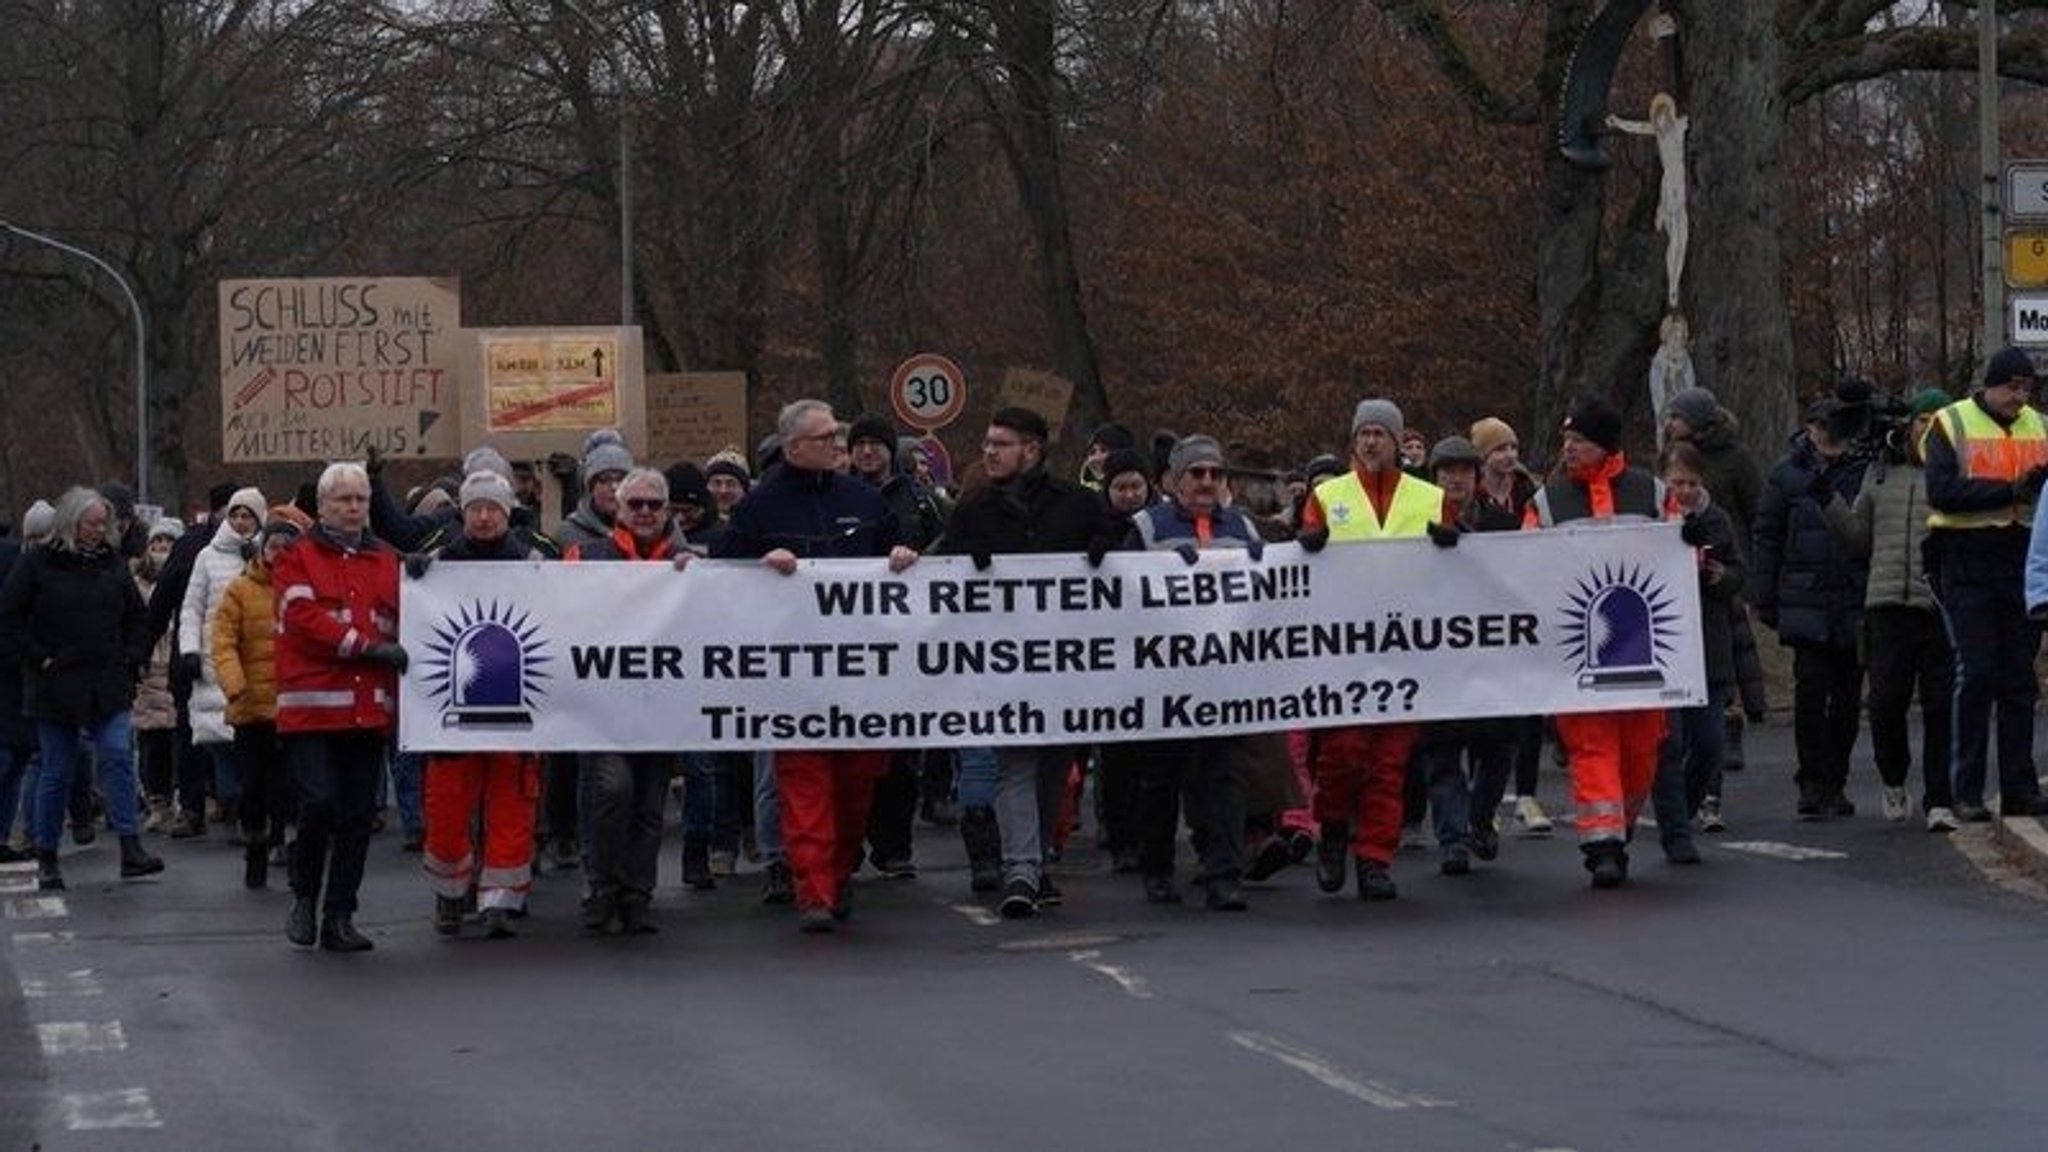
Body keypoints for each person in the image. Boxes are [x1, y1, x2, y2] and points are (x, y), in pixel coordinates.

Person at [715, 399, 920, 932]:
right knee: (804, 788)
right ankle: (815, 893)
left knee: (855, 788)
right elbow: (720, 573)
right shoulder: (759, 508)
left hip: (860, 678)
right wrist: (757, 565)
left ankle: (836, 870)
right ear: (792, 447)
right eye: (825, 436)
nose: (837, 444)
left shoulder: (863, 500)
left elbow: (903, 550)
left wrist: (903, 557)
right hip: (792, 682)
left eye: (838, 435)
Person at [939, 405, 1106, 919]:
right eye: (987, 443)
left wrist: (1110, 551)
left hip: (1065, 663)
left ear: (1031, 450)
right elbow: (941, 567)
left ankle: (1037, 864)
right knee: (1016, 762)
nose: (987, 451)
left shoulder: (1078, 506)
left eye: (1000, 443)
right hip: (1005, 662)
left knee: (1053, 766)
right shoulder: (974, 509)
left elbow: (1123, 558)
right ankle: (1021, 869)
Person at [1296, 398, 1456, 902]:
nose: (1370, 442)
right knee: (1342, 754)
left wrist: (1455, 543)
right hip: (1344, 650)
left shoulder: (1429, 498)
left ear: (1396, 441)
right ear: (1353, 441)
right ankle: (1334, 832)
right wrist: (1308, 543)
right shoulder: (1328, 496)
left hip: (1406, 650)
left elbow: (1461, 567)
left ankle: (1374, 859)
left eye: (1380, 434)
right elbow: (1301, 552)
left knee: (1389, 763)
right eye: (1363, 433)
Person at [1524, 396, 1686, 888]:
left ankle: (1621, 822)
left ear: (1605, 446)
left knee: (1641, 750)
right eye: (1565, 440)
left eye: (1578, 441)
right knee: (1591, 746)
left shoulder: (1652, 494)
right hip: (1578, 652)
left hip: (1644, 649)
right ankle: (1603, 846)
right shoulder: (1547, 502)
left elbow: (1681, 560)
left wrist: (1693, 545)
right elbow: (1521, 566)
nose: (1567, 449)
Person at [0, 486, 162, 892]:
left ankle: (130, 845)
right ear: (72, 523)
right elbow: (10, 616)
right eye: (92, 523)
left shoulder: (111, 565)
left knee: (116, 754)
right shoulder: (38, 564)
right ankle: (48, 853)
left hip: (107, 679)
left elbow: (137, 617)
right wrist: (38, 658)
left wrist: (132, 655)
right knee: (58, 767)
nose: (100, 530)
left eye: (103, 523)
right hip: (55, 682)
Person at [1125, 435, 1263, 910]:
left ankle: (1224, 872)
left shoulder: (1243, 526)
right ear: (1175, 480)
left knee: (1225, 775)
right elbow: (1119, 598)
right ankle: (1158, 869)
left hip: (1226, 677)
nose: (1207, 482)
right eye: (1196, 473)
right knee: (1162, 777)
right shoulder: (1147, 526)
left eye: (1215, 474)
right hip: (1166, 677)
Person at [274, 462, 405, 953]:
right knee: (320, 802)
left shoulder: (387, 560)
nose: (353, 508)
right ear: (323, 506)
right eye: (343, 500)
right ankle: (305, 896)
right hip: (311, 710)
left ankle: (339, 915)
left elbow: (414, 611)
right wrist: (365, 646)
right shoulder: (297, 557)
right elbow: (301, 617)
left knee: (356, 815)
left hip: (365, 709)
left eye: (361, 499)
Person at [412, 472, 546, 938]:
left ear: (506, 513)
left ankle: (500, 901)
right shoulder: (434, 563)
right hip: (453, 708)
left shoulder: (534, 561)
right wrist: (411, 578)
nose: (485, 517)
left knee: (512, 803)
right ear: (463, 513)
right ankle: (450, 896)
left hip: (519, 700)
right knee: (447, 804)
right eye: (476, 509)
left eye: (493, 508)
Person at [1823, 389, 1956, 831]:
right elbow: (1858, 537)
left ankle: (1940, 798)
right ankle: (1894, 778)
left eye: (1938, 421)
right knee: (1885, 704)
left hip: (1937, 606)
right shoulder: (1880, 474)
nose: (1928, 429)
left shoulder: (1954, 473)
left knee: (1940, 706)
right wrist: (1829, 500)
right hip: (1885, 607)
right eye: (1922, 421)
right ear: (1909, 426)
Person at [565, 467, 688, 934]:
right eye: (635, 504)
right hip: (602, 706)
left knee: (650, 805)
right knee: (613, 791)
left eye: (654, 505)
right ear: (617, 507)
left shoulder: (685, 562)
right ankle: (601, 887)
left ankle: (638, 894)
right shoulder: (585, 556)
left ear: (667, 510)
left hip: (660, 704)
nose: (644, 513)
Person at [1928, 347, 2048, 821]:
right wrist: (2011, 491)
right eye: (2011, 388)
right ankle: (1966, 790)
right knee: (1976, 673)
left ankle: (2018, 787)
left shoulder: (2039, 425)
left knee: (2020, 678)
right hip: (1966, 555)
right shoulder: (1950, 423)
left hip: (2023, 556)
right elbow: (1942, 492)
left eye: (2026, 388)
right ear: (1989, 384)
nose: (2019, 398)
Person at [1750, 398, 1869, 820]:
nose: (1826, 434)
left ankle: (1835, 779)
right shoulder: (1787, 475)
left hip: (1853, 598)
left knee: (1848, 697)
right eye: (1820, 426)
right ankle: (1812, 779)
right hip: (1806, 597)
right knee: (1811, 692)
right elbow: (1767, 536)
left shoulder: (1863, 470)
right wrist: (1763, 596)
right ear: (1809, 428)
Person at [1412, 436, 1518, 874]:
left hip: (1492, 657)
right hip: (1438, 658)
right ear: (1433, 478)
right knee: (1442, 755)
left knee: (1498, 748)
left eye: (1464, 471)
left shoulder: (1502, 524)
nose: (1455, 479)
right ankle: (1452, 839)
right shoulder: (1412, 525)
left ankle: (1478, 817)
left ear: (1476, 478)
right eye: (1446, 471)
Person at [1653, 442, 1742, 853]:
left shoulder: (1717, 519)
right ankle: (1676, 829)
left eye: (1691, 482)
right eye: (1677, 482)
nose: (1685, 490)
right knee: (1670, 743)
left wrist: (1719, 575)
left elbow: (1739, 575)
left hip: (1709, 645)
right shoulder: (1651, 519)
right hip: (1663, 647)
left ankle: (1685, 807)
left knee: (1709, 743)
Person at [1466, 416, 1553, 837]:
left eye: (1513, 447)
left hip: (1526, 610)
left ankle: (1528, 794)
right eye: (1500, 449)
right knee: (1483, 707)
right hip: (1481, 614)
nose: (1509, 456)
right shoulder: (1470, 499)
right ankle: (1483, 795)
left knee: (1530, 706)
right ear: (1483, 456)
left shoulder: (1530, 495)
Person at [212, 507, 306, 888]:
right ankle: (254, 840)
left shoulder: (303, 590)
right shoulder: (240, 588)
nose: (278, 552)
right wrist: (235, 684)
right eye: (273, 545)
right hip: (251, 706)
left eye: (286, 546)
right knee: (253, 785)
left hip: (294, 706)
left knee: (290, 784)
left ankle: (283, 840)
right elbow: (222, 642)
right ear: (262, 548)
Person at [176, 484, 266, 836]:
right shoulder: (207, 556)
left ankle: (248, 813)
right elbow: (192, 607)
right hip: (215, 662)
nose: (241, 522)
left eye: (248, 516)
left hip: (256, 661)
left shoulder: (266, 554)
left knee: (248, 742)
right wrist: (189, 651)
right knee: (218, 740)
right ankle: (232, 800)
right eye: (236, 515)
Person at [1607, 92, 1689, 308]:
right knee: (1676, 238)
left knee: (1683, 237)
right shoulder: (1658, 133)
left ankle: (1675, 283)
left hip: (1680, 183)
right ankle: (1673, 287)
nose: (1661, 124)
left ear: (1670, 115)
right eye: (1658, 120)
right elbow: (1637, 128)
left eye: (1664, 118)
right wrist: (1617, 122)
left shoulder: (1680, 127)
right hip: (1671, 185)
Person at [132, 519, 183, 834]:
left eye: (168, 542)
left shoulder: (184, 577)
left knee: (178, 737)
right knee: (151, 738)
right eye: (157, 542)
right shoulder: (136, 581)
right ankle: (156, 800)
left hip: (174, 662)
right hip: (150, 665)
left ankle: (181, 796)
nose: (162, 548)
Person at [555, 429, 637, 552]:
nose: (614, 487)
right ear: (590, 488)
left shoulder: (651, 526)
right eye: (604, 480)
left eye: (621, 479)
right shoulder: (568, 534)